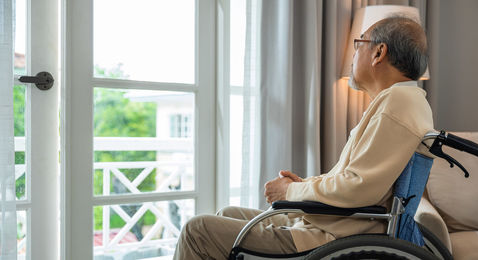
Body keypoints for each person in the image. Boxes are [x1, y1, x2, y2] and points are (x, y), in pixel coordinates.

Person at [173, 15, 433, 259]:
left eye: (359, 44)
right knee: (227, 213)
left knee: (197, 230)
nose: (354, 55)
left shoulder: (396, 103)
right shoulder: (400, 101)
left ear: (379, 52)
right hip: (333, 222)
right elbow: (357, 180)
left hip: (333, 235)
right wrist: (303, 186)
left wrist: (292, 190)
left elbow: (359, 188)